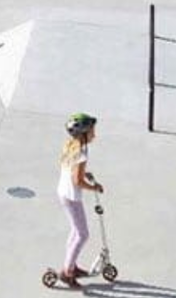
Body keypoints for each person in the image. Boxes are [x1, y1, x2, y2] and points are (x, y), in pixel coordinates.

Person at [55, 114, 103, 288]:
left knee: (76, 232)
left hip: (64, 193)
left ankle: (71, 266)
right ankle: (67, 272)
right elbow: (77, 181)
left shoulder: (71, 145)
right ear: (83, 133)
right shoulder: (82, 151)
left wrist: (84, 174)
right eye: (91, 131)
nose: (94, 135)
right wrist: (94, 187)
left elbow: (72, 170)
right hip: (72, 197)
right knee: (83, 235)